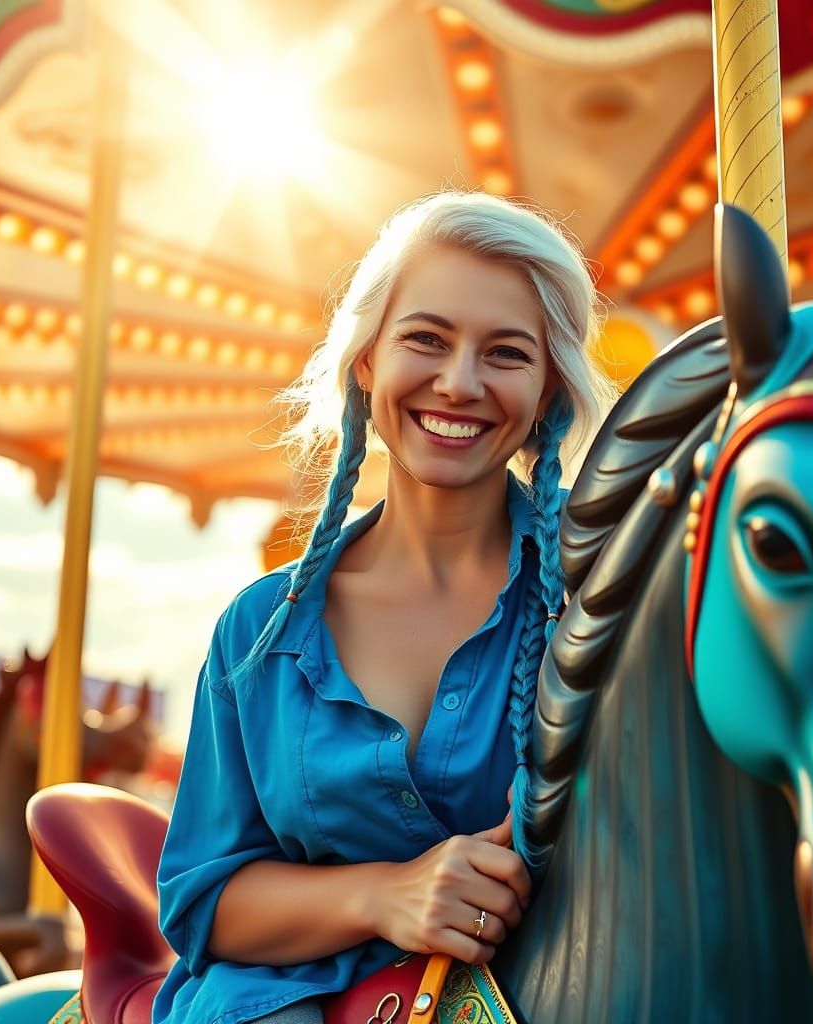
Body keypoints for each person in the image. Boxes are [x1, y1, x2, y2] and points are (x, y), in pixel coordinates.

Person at [153, 190, 613, 1024]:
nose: (459, 382)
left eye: (507, 353)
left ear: (548, 391)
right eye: (426, 340)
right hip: (278, 999)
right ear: (366, 360)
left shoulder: (600, 599)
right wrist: (387, 896)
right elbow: (203, 900)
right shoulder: (258, 632)